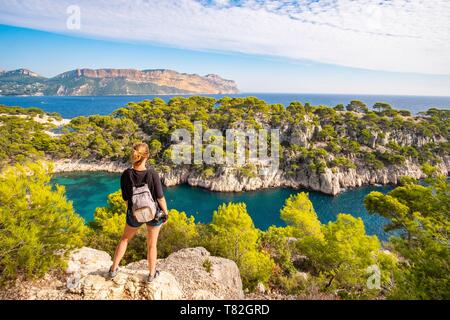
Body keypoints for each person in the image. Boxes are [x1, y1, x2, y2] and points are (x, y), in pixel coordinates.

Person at [109, 142, 169, 282]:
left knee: (124, 239)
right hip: (153, 214)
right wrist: (166, 213)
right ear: (147, 156)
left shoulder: (126, 174)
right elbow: (160, 197)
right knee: (152, 245)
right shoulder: (152, 173)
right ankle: (151, 274)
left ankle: (113, 270)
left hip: (134, 214)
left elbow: (125, 199)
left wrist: (132, 211)